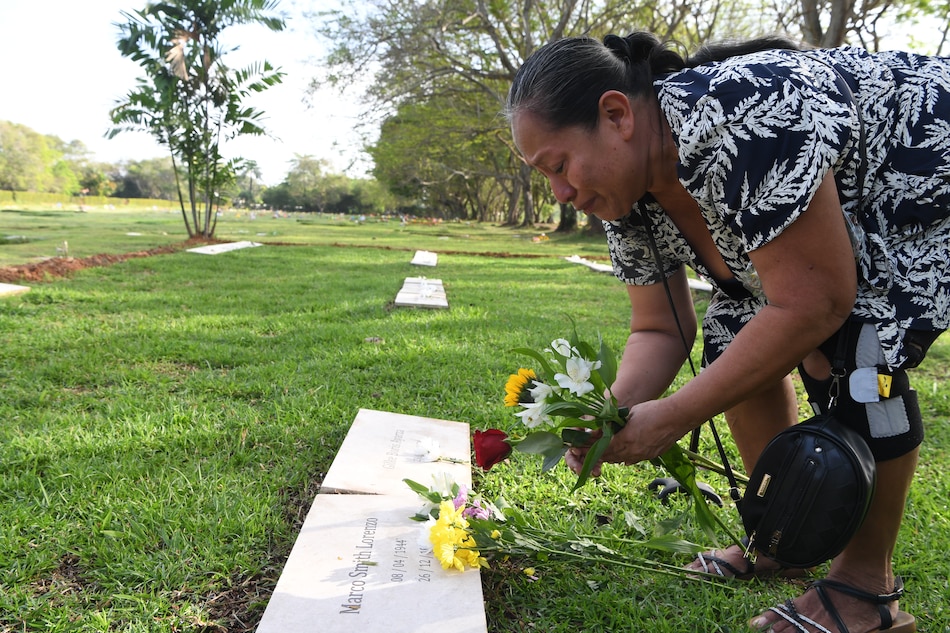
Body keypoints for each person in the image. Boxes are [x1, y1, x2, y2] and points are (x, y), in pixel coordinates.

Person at [506, 31, 950, 633]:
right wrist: (611, 413)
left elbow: (817, 300)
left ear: (616, 115)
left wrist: (672, 417)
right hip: (844, 234)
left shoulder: (739, 110)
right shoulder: (625, 197)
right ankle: (782, 537)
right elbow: (660, 327)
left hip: (927, 171)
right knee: (732, 336)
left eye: (558, 166)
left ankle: (864, 589)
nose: (561, 192)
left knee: (857, 351)